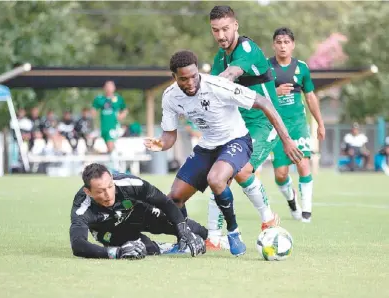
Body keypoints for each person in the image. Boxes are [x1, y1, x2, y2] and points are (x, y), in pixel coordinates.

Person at [144, 50, 303, 256]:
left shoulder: (218, 86)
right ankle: (186, 241)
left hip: (236, 141)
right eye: (184, 79)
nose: (191, 82)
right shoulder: (170, 97)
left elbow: (263, 101)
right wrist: (161, 144)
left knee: (216, 179)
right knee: (174, 198)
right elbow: (169, 135)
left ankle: (233, 231)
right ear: (174, 77)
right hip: (208, 146)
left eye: (194, 76)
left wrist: (287, 140)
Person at [206, 5, 282, 247]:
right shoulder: (220, 55)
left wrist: (211, 84)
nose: (221, 35)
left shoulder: (247, 49)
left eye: (225, 29)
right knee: (219, 175)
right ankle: (214, 238)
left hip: (264, 123)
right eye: (215, 30)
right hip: (237, 126)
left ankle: (269, 219)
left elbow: (230, 74)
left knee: (241, 171)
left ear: (235, 26)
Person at [70, 163, 207, 259]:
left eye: (110, 186)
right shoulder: (82, 209)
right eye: (100, 191)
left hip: (139, 213)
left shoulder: (130, 183)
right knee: (140, 250)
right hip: (110, 232)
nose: (108, 194)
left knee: (192, 230)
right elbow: (78, 245)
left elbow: (164, 202)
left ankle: (215, 239)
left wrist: (183, 228)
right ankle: (165, 247)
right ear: (87, 191)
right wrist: (116, 253)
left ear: (112, 179)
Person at [267, 27, 326, 223]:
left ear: (293, 45)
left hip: (298, 125)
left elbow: (310, 96)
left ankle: (306, 212)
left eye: (286, 42)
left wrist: (320, 123)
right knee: (281, 174)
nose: (283, 46)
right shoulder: (266, 68)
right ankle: (292, 202)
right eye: (279, 42)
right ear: (273, 45)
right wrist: (276, 92)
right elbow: (259, 96)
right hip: (276, 127)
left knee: (303, 164)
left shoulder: (302, 68)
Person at [92, 81, 128, 153]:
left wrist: (121, 116)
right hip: (103, 127)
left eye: (110, 86)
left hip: (113, 126)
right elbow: (93, 110)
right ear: (104, 88)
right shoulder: (99, 99)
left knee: (110, 145)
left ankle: (115, 159)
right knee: (109, 148)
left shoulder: (118, 98)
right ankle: (116, 159)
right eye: (107, 86)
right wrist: (92, 115)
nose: (109, 88)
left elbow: (125, 110)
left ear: (114, 88)